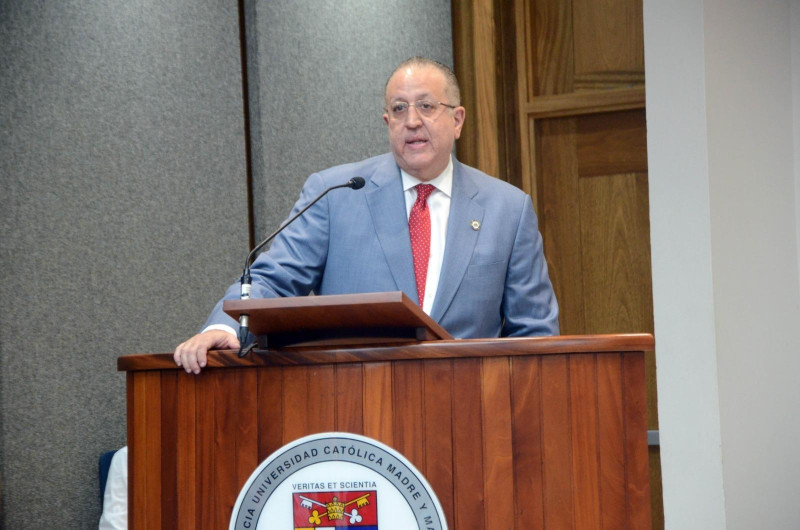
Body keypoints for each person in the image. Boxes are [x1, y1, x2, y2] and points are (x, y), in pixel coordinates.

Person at [174, 56, 559, 374]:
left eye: (426, 106)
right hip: (355, 410)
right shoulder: (336, 194)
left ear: (457, 120)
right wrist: (226, 326)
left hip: (468, 417)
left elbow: (535, 334)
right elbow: (274, 279)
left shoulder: (508, 208)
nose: (412, 121)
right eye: (399, 109)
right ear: (386, 122)